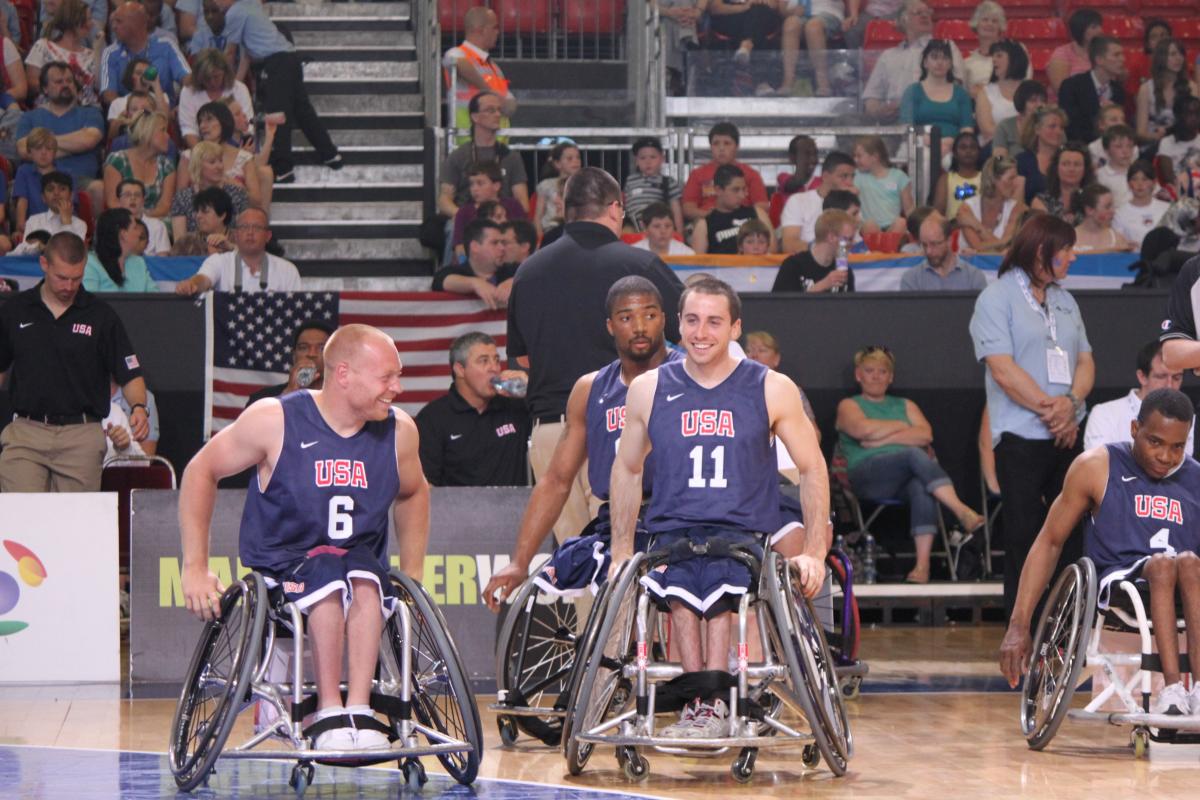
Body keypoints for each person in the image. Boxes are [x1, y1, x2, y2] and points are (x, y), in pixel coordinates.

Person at [179, 324, 430, 751]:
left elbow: (414, 491)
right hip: (286, 565)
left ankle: (360, 710)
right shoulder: (274, 419)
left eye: (398, 375)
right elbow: (201, 471)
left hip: (356, 562)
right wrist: (195, 567)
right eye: (386, 377)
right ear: (344, 374)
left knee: (368, 581)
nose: (397, 388)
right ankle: (330, 709)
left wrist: (413, 573)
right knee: (329, 581)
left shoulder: (399, 431)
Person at [608, 277, 830, 738]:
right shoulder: (650, 388)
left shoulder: (771, 387)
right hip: (672, 533)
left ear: (735, 328)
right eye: (692, 320)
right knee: (683, 585)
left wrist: (815, 549)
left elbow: (812, 468)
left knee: (720, 582)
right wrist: (620, 549)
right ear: (678, 324)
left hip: (744, 534)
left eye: (714, 322)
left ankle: (710, 703)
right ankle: (701, 703)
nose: (701, 332)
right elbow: (627, 469)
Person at [507, 167, 684, 548]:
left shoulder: (528, 271)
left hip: (552, 430)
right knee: (629, 560)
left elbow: (522, 360)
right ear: (616, 209)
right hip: (623, 422)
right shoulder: (640, 266)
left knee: (582, 568)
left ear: (565, 210)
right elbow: (693, 335)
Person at [999, 388, 1200, 716]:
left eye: (1177, 446)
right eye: (1155, 442)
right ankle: (1173, 689)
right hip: (1119, 582)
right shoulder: (1096, 466)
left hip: (1182, 585)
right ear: (1135, 430)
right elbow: (1049, 542)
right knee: (1163, 565)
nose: (1165, 456)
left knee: (1189, 562)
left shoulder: (1195, 478)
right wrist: (1019, 623)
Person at [483, 276, 674, 606]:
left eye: (650, 315)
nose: (640, 326)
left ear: (664, 319)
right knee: (606, 619)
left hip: (682, 514)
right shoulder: (592, 389)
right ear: (610, 326)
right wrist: (520, 560)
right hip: (619, 518)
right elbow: (557, 480)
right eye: (627, 317)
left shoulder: (689, 375)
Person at [970, 213, 1094, 613]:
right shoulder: (996, 298)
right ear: (1042, 250)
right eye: (1066, 249)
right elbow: (1002, 369)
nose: (1073, 257)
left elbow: (1087, 362)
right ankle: (1021, 629)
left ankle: (1068, 626)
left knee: (1073, 534)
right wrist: (1052, 410)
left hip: (1068, 434)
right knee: (1024, 533)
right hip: (1021, 436)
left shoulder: (1065, 299)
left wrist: (1071, 406)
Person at [0, 232, 150, 492]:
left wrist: (139, 407)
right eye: (62, 278)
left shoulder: (101, 315)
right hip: (26, 431)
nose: (69, 286)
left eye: (76, 278)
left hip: (82, 434)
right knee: (21, 520)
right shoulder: (15, 310)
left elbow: (130, 372)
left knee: (76, 525)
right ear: (44, 265)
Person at [836, 345, 984, 582]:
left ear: (890, 376)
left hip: (903, 479)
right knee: (914, 455)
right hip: (866, 475)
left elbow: (925, 435)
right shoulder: (849, 405)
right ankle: (959, 509)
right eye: (869, 370)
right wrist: (903, 427)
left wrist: (880, 438)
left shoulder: (905, 404)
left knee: (920, 486)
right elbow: (861, 429)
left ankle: (922, 567)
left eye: (882, 371)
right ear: (858, 375)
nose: (876, 376)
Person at [209, 0, 342, 183]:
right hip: (290, 58)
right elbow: (247, 54)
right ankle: (330, 154)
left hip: (277, 62)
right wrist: (236, 86)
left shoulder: (235, 13)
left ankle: (283, 167)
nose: (215, 2)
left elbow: (230, 53)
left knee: (277, 114)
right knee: (303, 111)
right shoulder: (250, 4)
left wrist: (224, 86)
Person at [415, 332, 529, 487]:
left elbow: (558, 425)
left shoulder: (515, 406)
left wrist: (530, 389)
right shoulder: (433, 418)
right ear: (460, 369)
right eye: (483, 361)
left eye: (496, 360)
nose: (494, 368)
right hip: (457, 509)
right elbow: (425, 485)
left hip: (514, 508)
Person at [862, 0, 964, 123]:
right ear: (904, 20)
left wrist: (912, 104)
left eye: (928, 12)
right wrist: (880, 111)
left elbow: (957, 86)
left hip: (933, 116)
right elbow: (871, 97)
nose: (925, 16)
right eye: (918, 13)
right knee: (847, 121)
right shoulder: (888, 56)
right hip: (892, 122)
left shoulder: (946, 47)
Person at [437, 91, 530, 221]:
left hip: (502, 217)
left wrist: (501, 217)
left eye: (499, 110)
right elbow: (444, 200)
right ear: (475, 117)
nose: (498, 114)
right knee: (453, 228)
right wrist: (464, 216)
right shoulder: (458, 156)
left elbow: (523, 202)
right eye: (490, 110)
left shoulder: (511, 157)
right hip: (467, 217)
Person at [1084, 342, 1190, 454]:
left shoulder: (1190, 419)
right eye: (1161, 377)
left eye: (1176, 378)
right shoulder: (1105, 414)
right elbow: (1098, 465)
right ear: (1142, 377)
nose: (1169, 385)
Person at [15, 61, 104, 191]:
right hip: (37, 180)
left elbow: (88, 141)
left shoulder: (91, 112)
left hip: (80, 180)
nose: (65, 85)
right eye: (58, 82)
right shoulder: (29, 117)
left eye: (69, 81)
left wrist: (42, 143)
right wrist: (74, 148)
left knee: (98, 188)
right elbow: (24, 149)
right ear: (45, 88)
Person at [174, 208, 300, 294]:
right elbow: (203, 279)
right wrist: (192, 284)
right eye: (244, 227)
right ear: (236, 235)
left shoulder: (287, 270)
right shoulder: (219, 261)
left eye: (257, 227)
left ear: (267, 236)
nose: (250, 233)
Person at [442, 7, 516, 139]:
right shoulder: (457, 54)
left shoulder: (494, 67)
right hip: (468, 141)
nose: (498, 32)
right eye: (494, 27)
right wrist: (492, 94)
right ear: (481, 30)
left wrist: (504, 102)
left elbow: (510, 105)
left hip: (497, 145)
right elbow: (458, 64)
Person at [99, 2, 190, 106]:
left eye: (119, 21)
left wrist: (182, 108)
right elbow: (108, 95)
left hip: (165, 115)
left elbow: (187, 79)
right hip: (129, 117)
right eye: (114, 22)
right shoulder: (110, 53)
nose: (114, 26)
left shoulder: (166, 45)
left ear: (136, 22)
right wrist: (133, 112)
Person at [177, 101, 262, 210]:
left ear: (224, 121)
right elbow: (179, 203)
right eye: (200, 121)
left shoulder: (244, 158)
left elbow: (256, 202)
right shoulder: (188, 157)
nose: (202, 125)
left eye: (209, 119)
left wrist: (232, 183)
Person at [680, 122, 768, 221]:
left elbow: (762, 206)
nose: (721, 148)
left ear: (737, 146)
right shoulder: (697, 174)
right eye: (716, 143)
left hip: (742, 225)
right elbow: (688, 209)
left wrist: (740, 217)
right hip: (707, 223)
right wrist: (712, 216)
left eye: (727, 143)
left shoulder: (751, 174)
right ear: (710, 147)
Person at [899, 39, 974, 149]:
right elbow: (906, 129)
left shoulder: (961, 94)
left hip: (953, 148)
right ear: (925, 63)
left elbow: (967, 129)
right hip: (919, 145)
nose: (940, 62)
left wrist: (952, 144)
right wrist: (928, 142)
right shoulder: (912, 91)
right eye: (934, 57)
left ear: (950, 64)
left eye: (945, 58)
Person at [25, 0, 100, 108]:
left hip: (86, 111)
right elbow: (32, 83)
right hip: (50, 109)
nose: (91, 23)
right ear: (73, 21)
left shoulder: (92, 55)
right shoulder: (43, 47)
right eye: (88, 19)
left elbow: (99, 89)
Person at [103, 110, 177, 220]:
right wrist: (134, 219)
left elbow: (164, 207)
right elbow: (113, 203)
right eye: (163, 130)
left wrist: (143, 218)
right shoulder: (117, 160)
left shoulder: (167, 166)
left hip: (156, 220)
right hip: (123, 219)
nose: (168, 136)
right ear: (147, 132)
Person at [779, 150, 856, 253]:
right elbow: (789, 245)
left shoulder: (852, 202)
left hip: (847, 262)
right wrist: (824, 249)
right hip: (809, 265)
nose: (850, 182)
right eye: (844, 176)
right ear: (825, 177)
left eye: (852, 177)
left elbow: (855, 243)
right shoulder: (798, 201)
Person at [245, 320, 336, 406]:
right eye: (303, 347)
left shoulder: (343, 400)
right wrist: (289, 393)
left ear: (334, 356)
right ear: (294, 356)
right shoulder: (262, 399)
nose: (311, 354)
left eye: (321, 348)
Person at [169, 142, 248, 238]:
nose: (219, 166)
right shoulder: (182, 198)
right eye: (212, 162)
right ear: (198, 166)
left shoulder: (236, 193)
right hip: (194, 251)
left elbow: (243, 234)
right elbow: (180, 241)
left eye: (220, 161)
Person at [690, 164, 773, 255]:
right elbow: (698, 264)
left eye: (744, 189)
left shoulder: (758, 213)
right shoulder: (704, 225)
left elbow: (772, 250)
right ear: (718, 190)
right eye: (736, 190)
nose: (742, 195)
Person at [178, 48, 253, 148]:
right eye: (207, 78)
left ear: (225, 72)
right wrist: (202, 155)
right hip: (202, 148)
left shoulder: (239, 89)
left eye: (216, 76)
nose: (212, 82)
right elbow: (188, 130)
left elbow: (248, 124)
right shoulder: (188, 91)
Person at [1058, 36, 1127, 145]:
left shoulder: (1119, 91)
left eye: (1122, 54)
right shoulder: (1072, 87)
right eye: (1116, 55)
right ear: (1099, 59)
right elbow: (1071, 128)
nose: (1123, 59)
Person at [775, 0, 851, 98]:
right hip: (798, 14)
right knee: (790, 24)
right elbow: (783, 9)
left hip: (827, 12)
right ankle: (788, 81)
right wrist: (791, 12)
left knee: (813, 27)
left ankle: (823, 82)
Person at [432, 218, 514, 309]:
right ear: (475, 247)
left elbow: (529, 277)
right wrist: (474, 283)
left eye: (502, 243)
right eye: (494, 243)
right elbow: (439, 280)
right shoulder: (456, 271)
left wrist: (515, 282)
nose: (502, 248)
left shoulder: (513, 271)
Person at [450, 161, 526, 258]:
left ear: (496, 186)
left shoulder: (513, 206)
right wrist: (467, 264)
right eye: (472, 184)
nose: (474, 189)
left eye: (480, 183)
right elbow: (459, 246)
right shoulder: (464, 212)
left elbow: (523, 237)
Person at [772, 209, 856, 293]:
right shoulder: (793, 266)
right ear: (831, 237)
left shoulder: (844, 272)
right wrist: (822, 285)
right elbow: (779, 304)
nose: (853, 243)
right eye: (848, 239)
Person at [957, 153, 1025, 253]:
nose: (1015, 183)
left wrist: (976, 225)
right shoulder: (967, 208)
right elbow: (977, 247)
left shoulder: (1017, 209)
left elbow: (1005, 247)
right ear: (994, 180)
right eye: (1011, 178)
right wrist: (1003, 242)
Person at [900, 214, 987, 291]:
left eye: (934, 244)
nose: (928, 251)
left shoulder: (973, 277)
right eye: (924, 245)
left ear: (949, 241)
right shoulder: (911, 279)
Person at [1136, 39, 1198, 146]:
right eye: (1173, 54)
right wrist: (1158, 137)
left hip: (1184, 142)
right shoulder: (1146, 89)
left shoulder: (1191, 86)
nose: (1178, 58)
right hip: (1155, 143)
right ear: (1161, 58)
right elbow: (1141, 133)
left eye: (1181, 54)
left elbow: (1196, 123)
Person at [82, 207, 157, 292]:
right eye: (135, 228)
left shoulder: (139, 263)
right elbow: (88, 301)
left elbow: (154, 298)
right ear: (123, 234)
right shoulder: (90, 264)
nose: (139, 233)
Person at [13, 127, 69, 236]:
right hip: (33, 228)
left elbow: (68, 203)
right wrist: (20, 226)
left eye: (48, 149)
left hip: (60, 226)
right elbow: (22, 201)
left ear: (55, 152)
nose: (43, 153)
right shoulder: (23, 171)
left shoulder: (65, 174)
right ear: (29, 151)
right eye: (38, 148)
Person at [853, 134, 913, 236]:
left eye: (859, 156)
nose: (855, 160)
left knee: (901, 223)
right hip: (868, 229)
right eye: (854, 156)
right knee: (870, 225)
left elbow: (909, 209)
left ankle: (888, 248)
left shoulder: (899, 176)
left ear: (875, 157)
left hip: (893, 227)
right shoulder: (856, 176)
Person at [623, 137, 683, 234]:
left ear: (662, 159)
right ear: (636, 161)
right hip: (633, 225)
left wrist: (679, 235)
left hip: (657, 224)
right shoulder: (630, 180)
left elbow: (676, 211)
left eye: (653, 157)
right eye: (642, 158)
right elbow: (625, 205)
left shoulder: (668, 182)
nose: (648, 162)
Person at [975, 39, 1029, 147]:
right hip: (995, 149)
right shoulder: (985, 92)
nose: (993, 60)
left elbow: (1039, 124)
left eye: (999, 56)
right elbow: (987, 129)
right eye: (993, 56)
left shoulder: (1030, 90)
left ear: (1014, 59)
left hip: (1027, 147)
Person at [1031, 142, 1095, 227]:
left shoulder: (1095, 201)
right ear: (1056, 168)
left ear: (1085, 170)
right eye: (1065, 164)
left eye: (1077, 164)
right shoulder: (1041, 201)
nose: (1071, 169)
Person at [1015, 106, 1069, 204]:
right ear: (1037, 129)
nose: (1058, 132)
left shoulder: (1068, 159)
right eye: (1052, 126)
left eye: (1061, 127)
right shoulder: (1021, 161)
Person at [1113, 160, 1170, 249]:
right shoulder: (1119, 213)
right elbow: (1118, 245)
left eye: (1145, 179)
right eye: (1134, 179)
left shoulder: (1167, 208)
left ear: (1154, 183)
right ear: (1128, 184)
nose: (1140, 184)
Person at [1046, 8, 1102, 98]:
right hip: (1068, 106)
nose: (1100, 30)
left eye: (1099, 26)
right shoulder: (1062, 53)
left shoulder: (1102, 52)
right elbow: (1062, 91)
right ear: (1081, 29)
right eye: (1094, 27)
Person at [768, 135, 820, 227]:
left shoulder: (821, 182)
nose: (813, 159)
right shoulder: (784, 178)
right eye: (807, 154)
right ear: (792, 158)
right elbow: (796, 183)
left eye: (815, 154)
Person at [534, 142, 581, 239]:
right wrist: (539, 239)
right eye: (570, 158)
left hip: (576, 231)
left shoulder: (585, 185)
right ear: (557, 163)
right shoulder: (546, 185)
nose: (575, 161)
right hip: (550, 231)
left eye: (578, 158)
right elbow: (538, 216)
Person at [992, 80, 1046, 159]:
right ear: (1022, 102)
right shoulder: (1005, 126)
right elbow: (998, 158)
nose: (1040, 105)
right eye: (1033, 100)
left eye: (1043, 100)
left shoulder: (1053, 126)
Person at [115, 178, 170, 256]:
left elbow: (163, 260)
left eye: (137, 195)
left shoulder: (157, 226)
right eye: (127, 195)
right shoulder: (112, 226)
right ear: (119, 201)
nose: (132, 198)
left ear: (143, 201)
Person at [25, 171, 86, 239]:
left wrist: (67, 222)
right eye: (50, 189)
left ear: (71, 196)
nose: (56, 193)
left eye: (62, 189)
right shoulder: (33, 221)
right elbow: (25, 248)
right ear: (43, 198)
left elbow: (70, 248)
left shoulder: (80, 224)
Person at [1072, 184, 1133, 252]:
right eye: (1107, 207)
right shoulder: (1069, 239)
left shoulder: (1118, 239)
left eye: (1112, 206)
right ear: (1089, 210)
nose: (1113, 211)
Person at [1094, 125, 1136, 208]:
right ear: (1106, 150)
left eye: (1129, 146)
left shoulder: (1141, 173)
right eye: (1118, 146)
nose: (1125, 151)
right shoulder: (1100, 176)